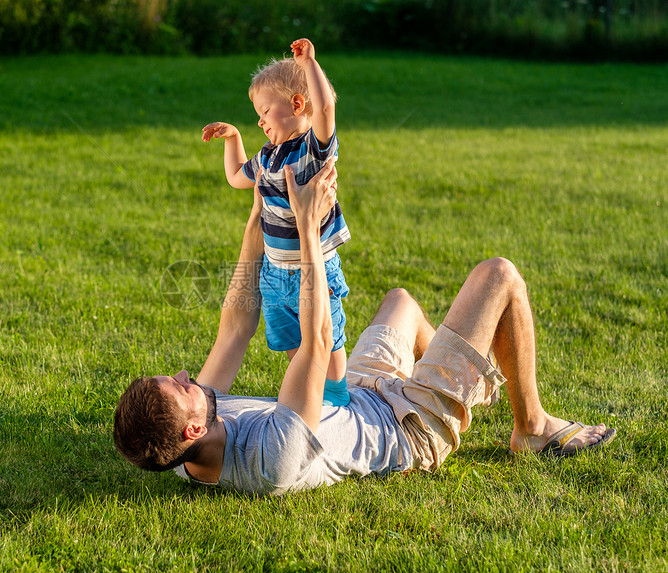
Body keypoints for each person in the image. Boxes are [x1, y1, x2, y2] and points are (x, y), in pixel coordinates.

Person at [113, 161, 617, 495]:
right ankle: (530, 428)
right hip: (406, 428)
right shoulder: (273, 458)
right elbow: (318, 339)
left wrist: (262, 214)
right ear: (194, 428)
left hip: (354, 393)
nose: (186, 374)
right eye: (180, 386)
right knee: (499, 275)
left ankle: (460, 378)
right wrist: (307, 230)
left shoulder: (183, 450)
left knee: (399, 302)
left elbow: (235, 328)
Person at [201, 38, 352, 407]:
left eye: (265, 110)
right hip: (274, 273)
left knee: (325, 336)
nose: (260, 120)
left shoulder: (312, 151)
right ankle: (307, 389)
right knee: (293, 341)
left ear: (297, 104)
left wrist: (309, 64)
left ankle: (335, 393)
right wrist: (233, 138)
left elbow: (327, 108)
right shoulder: (267, 157)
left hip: (312, 269)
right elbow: (237, 175)